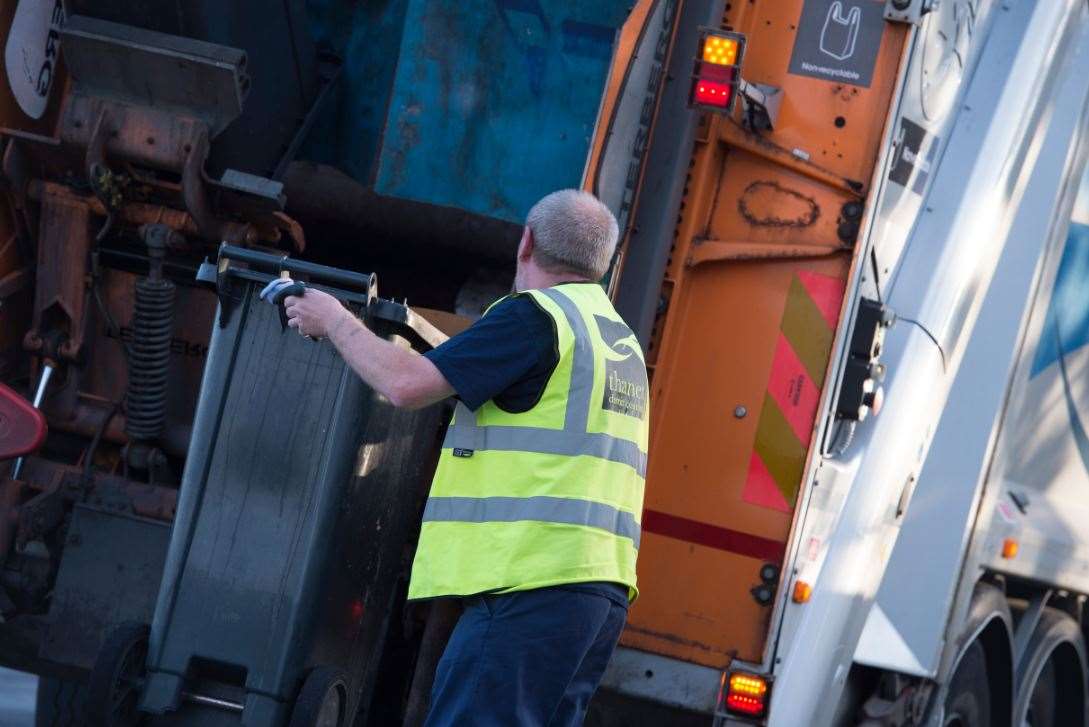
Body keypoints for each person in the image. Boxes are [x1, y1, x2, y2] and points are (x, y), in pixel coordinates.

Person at [261, 189, 649, 726]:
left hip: (528, 586)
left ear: (526, 243)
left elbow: (405, 385)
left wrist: (334, 320)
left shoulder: (536, 319)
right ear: (603, 264)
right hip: (596, 597)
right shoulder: (619, 343)